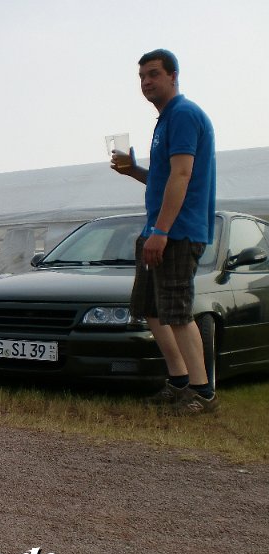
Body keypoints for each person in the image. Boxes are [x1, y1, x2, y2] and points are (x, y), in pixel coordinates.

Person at [111, 49, 217, 415]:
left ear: (174, 76)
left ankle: (203, 394)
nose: (146, 82)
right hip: (158, 229)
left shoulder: (184, 114)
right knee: (151, 310)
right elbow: (163, 179)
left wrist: (161, 231)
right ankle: (179, 381)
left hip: (177, 231)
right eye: (142, 77)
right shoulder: (165, 121)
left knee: (177, 311)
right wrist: (133, 171)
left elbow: (182, 176)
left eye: (154, 74)